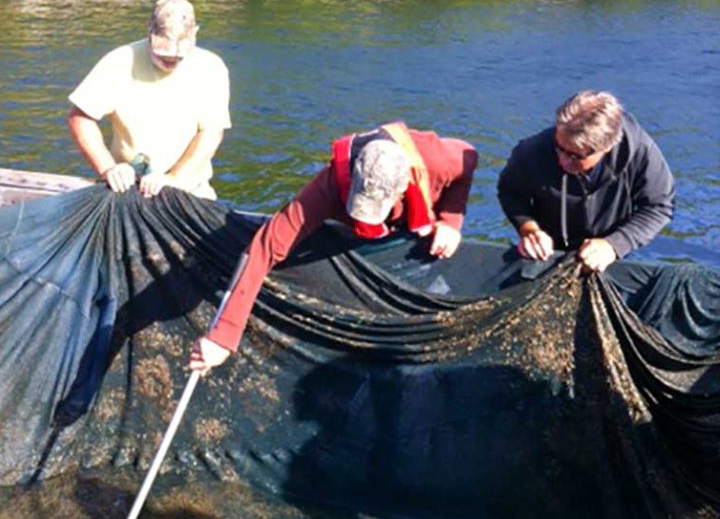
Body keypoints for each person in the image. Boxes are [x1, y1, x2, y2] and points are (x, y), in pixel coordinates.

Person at [189, 123, 478, 372]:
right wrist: (223, 336)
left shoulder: (437, 160)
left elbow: (469, 156)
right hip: (354, 236)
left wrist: (451, 222)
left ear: (403, 187)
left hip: (414, 234)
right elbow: (265, 246)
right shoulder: (329, 184)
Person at [68, 0, 230, 199]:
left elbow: (211, 132)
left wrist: (173, 178)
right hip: (126, 189)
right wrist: (108, 169)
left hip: (189, 192)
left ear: (195, 32)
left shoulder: (211, 67)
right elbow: (80, 118)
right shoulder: (119, 61)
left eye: (179, 58)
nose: (171, 62)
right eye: (163, 56)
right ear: (148, 31)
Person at [497, 90, 675, 273]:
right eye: (559, 148)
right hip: (550, 250)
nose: (563, 161)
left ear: (606, 148)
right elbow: (510, 192)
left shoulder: (640, 151)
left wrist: (615, 245)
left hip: (612, 251)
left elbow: (658, 206)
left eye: (575, 156)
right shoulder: (532, 151)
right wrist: (528, 229)